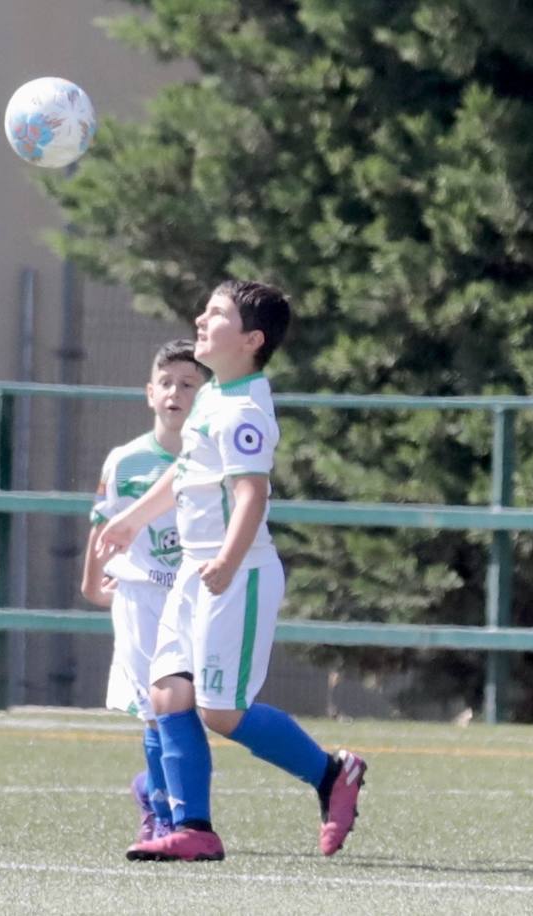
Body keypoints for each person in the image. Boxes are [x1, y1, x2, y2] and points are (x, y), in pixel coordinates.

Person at [98, 281, 366, 862]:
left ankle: (331, 774)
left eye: (215, 313)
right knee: (167, 693)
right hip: (198, 572)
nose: (199, 318)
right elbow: (185, 474)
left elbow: (251, 493)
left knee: (220, 711)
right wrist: (131, 522)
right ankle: (194, 828)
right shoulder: (215, 395)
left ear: (251, 340)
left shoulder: (245, 407)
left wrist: (225, 558)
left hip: (236, 574)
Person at [81, 340, 209, 845]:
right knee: (156, 711)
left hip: (196, 598)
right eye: (167, 383)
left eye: (189, 384)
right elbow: (102, 525)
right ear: (149, 394)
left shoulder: (211, 460)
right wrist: (92, 583)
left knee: (192, 707)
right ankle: (163, 812)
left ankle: (163, 796)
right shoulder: (126, 460)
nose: (176, 392)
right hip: (140, 597)